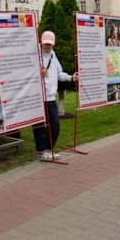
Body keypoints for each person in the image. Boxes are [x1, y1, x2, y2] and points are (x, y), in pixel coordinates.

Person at [34, 31, 79, 161]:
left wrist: (71, 78)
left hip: (51, 97)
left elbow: (59, 74)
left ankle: (48, 149)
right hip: (39, 97)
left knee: (55, 126)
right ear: (42, 42)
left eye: (50, 44)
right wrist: (38, 72)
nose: (48, 47)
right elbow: (25, 73)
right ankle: (41, 151)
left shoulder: (53, 55)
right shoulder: (34, 55)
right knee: (41, 126)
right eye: (46, 44)